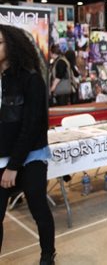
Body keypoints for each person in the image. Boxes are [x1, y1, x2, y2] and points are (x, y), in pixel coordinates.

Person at [0, 25, 56, 265]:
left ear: (11, 46)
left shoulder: (30, 79)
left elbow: (32, 125)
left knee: (37, 204)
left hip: (30, 154)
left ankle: (47, 254)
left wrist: (13, 165)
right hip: (2, 156)